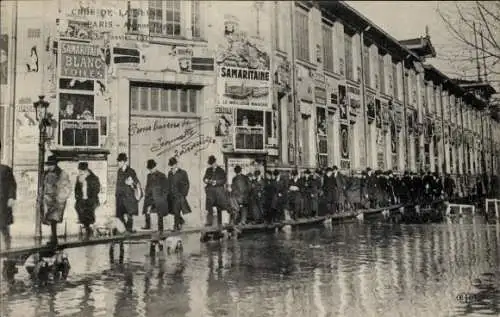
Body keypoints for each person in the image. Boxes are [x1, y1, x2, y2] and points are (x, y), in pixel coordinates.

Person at [43, 155, 71, 246]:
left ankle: (54, 240)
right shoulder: (47, 173)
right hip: (49, 200)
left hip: (57, 201)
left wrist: (60, 198)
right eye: (48, 165)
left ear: (55, 165)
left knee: (53, 220)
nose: (49, 167)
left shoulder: (62, 174)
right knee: (51, 220)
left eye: (50, 165)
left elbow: (66, 188)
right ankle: (53, 239)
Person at [115, 153, 141, 233]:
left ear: (124, 162)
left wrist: (131, 183)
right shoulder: (119, 171)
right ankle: (126, 229)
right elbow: (118, 183)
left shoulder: (131, 171)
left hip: (128, 197)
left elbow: (136, 183)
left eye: (119, 161)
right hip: (120, 197)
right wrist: (116, 194)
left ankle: (129, 230)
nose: (118, 163)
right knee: (119, 215)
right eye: (118, 161)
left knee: (129, 215)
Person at [74, 162, 100, 238]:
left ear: (86, 170)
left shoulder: (93, 178)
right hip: (82, 200)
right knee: (78, 206)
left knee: (88, 210)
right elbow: (76, 190)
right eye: (79, 171)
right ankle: (86, 226)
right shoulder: (78, 178)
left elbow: (96, 190)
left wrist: (90, 197)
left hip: (91, 200)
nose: (80, 173)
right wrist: (78, 197)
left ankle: (88, 227)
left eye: (81, 171)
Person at [203, 155, 229, 228]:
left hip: (218, 192)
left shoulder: (221, 170)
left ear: (215, 162)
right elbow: (204, 178)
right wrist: (206, 180)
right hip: (210, 192)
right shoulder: (208, 170)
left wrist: (216, 182)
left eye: (213, 163)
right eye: (211, 164)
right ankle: (210, 222)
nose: (212, 165)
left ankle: (219, 223)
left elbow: (224, 180)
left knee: (219, 207)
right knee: (209, 208)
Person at [142, 159, 169, 232]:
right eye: (149, 169)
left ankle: (160, 229)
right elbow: (148, 186)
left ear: (155, 167)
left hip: (158, 197)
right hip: (150, 197)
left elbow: (166, 188)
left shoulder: (162, 175)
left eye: (151, 169)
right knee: (146, 210)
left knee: (159, 213)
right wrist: (146, 192)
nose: (150, 170)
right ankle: (147, 225)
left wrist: (163, 197)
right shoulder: (149, 176)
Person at [167, 157, 191, 231]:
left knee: (176, 210)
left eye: (173, 165)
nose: (172, 167)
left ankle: (176, 226)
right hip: (171, 196)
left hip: (179, 195)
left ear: (176, 164)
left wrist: (183, 194)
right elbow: (168, 183)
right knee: (172, 211)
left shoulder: (183, 173)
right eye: (171, 165)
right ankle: (181, 221)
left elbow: (187, 184)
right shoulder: (170, 173)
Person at [0, 141, 16, 249]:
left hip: (2, 203)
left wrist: (11, 197)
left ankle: (8, 249)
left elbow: (12, 185)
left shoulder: (5, 169)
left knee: (4, 227)